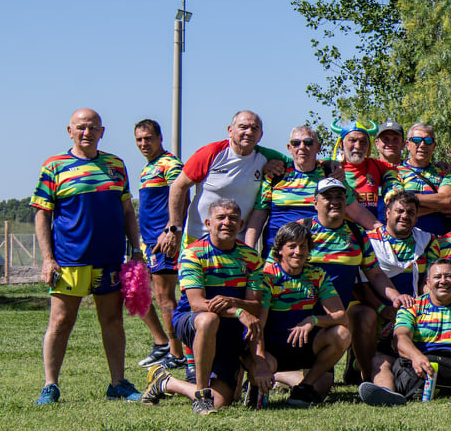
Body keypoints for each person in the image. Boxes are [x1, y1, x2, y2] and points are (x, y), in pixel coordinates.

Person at [32, 108, 145, 404]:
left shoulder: (115, 165)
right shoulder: (54, 166)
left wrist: (135, 250)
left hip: (109, 259)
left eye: (93, 127)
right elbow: (42, 214)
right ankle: (50, 385)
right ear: (69, 131)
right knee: (61, 321)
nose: (87, 132)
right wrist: (47, 258)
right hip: (69, 260)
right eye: (81, 127)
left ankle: (118, 383)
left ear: (102, 132)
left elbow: (127, 211)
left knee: (113, 320)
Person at [143, 199, 263, 413]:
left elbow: (255, 306)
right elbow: (197, 304)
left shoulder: (251, 257)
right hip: (192, 321)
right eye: (221, 217)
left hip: (229, 329)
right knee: (209, 319)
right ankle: (200, 394)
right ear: (208, 223)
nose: (227, 222)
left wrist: (234, 303)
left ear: (241, 225)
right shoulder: (193, 253)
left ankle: (165, 382)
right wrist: (238, 311)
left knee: (223, 401)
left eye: (233, 218)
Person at [357, 259, 451, 406]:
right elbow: (401, 337)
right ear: (428, 282)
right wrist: (416, 356)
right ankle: (387, 393)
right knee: (379, 359)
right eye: (437, 277)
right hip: (418, 366)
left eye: (449, 276)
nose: (443, 281)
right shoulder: (412, 307)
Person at [245, 221, 350, 408]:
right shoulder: (268, 277)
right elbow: (258, 325)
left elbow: (342, 317)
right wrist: (260, 363)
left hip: (303, 345)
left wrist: (313, 320)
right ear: (279, 250)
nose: (298, 251)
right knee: (263, 374)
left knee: (342, 334)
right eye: (292, 246)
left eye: (303, 246)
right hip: (272, 349)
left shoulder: (317, 275)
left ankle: (304, 387)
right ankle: (256, 384)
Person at [156, 110, 286, 256]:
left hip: (237, 244)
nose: (249, 132)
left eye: (254, 128)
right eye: (243, 127)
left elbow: (299, 165)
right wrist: (175, 228)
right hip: (198, 238)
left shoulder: (267, 157)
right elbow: (178, 187)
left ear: (261, 135)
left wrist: (279, 166)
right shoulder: (211, 153)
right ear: (230, 130)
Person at [304, 177, 381, 383]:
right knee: (319, 385)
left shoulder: (357, 233)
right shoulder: (301, 231)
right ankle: (277, 372)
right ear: (315, 203)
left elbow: (375, 274)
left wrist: (396, 297)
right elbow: (274, 271)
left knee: (365, 313)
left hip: (335, 318)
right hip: (299, 316)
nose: (335, 201)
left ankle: (368, 379)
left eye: (340, 197)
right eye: (328, 197)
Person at [132, 118, 186, 371]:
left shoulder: (170, 164)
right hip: (148, 241)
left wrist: (171, 231)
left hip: (164, 240)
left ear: (160, 138)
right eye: (139, 140)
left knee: (165, 296)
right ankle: (163, 343)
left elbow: (182, 196)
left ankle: (177, 353)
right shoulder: (148, 167)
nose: (143, 143)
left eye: (148, 138)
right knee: (138, 290)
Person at [248, 124, 341, 253]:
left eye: (308, 142)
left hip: (318, 253)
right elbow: (258, 216)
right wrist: (248, 253)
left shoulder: (330, 174)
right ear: (289, 148)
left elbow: (353, 210)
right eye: (296, 143)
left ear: (318, 147)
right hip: (277, 254)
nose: (302, 147)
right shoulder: (276, 174)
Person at [394, 123, 451, 236]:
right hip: (405, 240)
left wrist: (409, 197)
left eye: (428, 141)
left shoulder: (443, 172)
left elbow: (447, 200)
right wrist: (437, 208)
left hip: (437, 241)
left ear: (434, 146)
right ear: (407, 145)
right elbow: (399, 209)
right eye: (416, 140)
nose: (422, 145)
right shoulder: (395, 172)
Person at [335, 125, 395, 229]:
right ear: (341, 144)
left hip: (371, 233)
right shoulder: (332, 168)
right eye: (352, 140)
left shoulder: (378, 166)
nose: (358, 146)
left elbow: (398, 174)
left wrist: (392, 191)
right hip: (343, 233)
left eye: (363, 141)